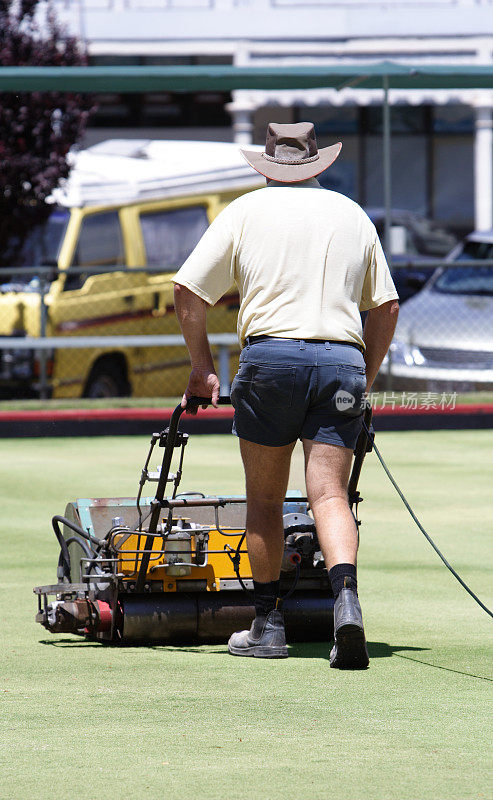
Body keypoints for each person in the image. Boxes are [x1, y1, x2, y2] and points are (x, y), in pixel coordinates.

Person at [172, 121, 399, 667]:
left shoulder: (246, 210)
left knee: (266, 501)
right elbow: (386, 308)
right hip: (342, 361)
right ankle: (347, 606)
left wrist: (203, 369)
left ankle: (267, 625)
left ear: (268, 164)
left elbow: (188, 288)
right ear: (318, 162)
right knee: (329, 497)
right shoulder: (351, 213)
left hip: (270, 360)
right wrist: (361, 381)